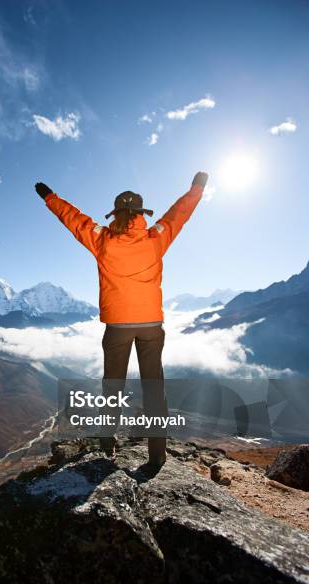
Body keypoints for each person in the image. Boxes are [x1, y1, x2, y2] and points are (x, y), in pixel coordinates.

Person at [35, 171, 208, 467]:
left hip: (117, 327)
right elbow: (179, 214)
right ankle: (157, 456)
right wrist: (196, 189)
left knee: (112, 387)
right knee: (154, 388)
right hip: (151, 326)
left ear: (116, 214)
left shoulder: (102, 240)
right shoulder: (156, 238)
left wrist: (50, 197)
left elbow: (74, 220)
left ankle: (107, 446)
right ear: (141, 214)